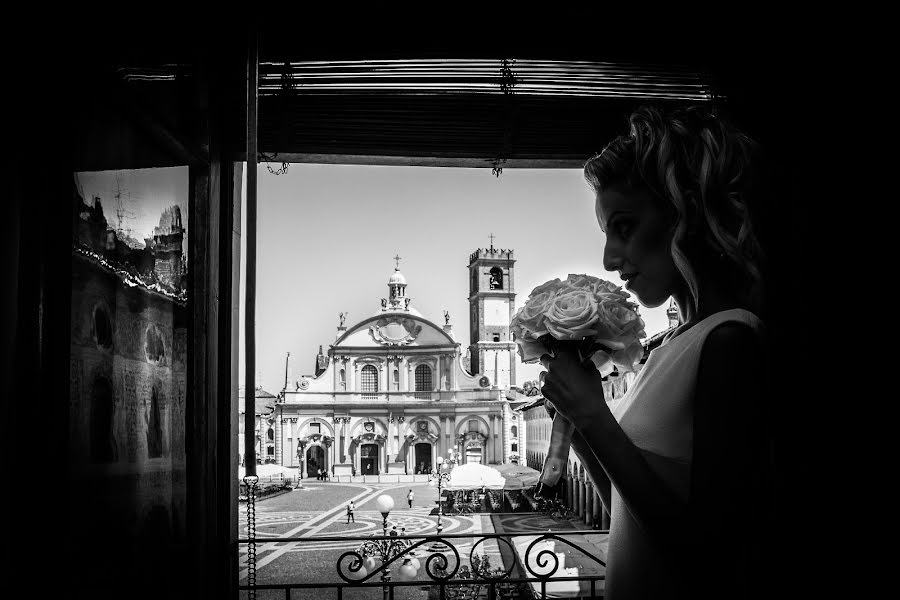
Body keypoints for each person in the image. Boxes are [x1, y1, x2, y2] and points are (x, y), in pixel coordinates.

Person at [539, 105, 773, 600]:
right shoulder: (666, 346)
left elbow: (705, 554)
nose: (608, 257)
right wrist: (577, 422)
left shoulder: (729, 342)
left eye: (624, 226)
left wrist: (593, 412)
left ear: (684, 214)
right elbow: (628, 511)